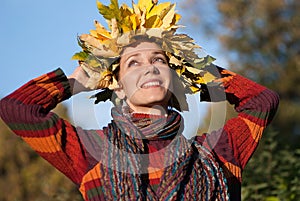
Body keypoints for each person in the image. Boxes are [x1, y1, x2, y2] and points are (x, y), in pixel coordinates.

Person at [0, 0, 279, 200]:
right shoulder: (92, 151)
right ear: (117, 86)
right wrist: (73, 84)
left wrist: (202, 74)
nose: (149, 67)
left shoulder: (217, 151)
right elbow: (17, 108)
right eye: (133, 63)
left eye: (158, 60)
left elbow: (261, 102)